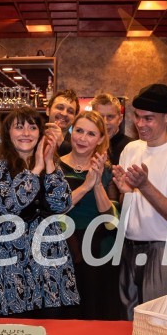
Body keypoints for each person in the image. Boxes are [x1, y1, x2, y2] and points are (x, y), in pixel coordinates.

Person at [0, 106, 80, 316]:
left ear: (40, 133)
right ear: (8, 132)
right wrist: (35, 169)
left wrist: (47, 163)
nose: (26, 133)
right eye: (19, 127)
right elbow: (8, 205)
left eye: (32, 127)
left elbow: (63, 204)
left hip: (51, 253)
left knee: (53, 325)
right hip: (15, 253)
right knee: (18, 327)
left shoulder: (52, 161)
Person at [112, 83, 167, 320]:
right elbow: (127, 201)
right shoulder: (131, 149)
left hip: (161, 251)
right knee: (127, 322)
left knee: (156, 324)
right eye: (137, 117)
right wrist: (126, 191)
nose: (140, 124)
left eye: (148, 118)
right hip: (129, 246)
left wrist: (144, 186)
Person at [59, 111, 121, 320]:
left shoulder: (107, 170)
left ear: (101, 139)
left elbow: (110, 219)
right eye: (79, 131)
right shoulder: (56, 167)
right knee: (68, 311)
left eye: (91, 134)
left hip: (99, 247)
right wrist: (85, 186)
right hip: (64, 246)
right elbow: (56, 209)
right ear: (71, 132)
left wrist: (96, 183)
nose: (83, 139)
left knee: (97, 309)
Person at [90, 93, 132, 165]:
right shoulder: (86, 144)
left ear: (120, 119)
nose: (105, 122)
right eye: (100, 116)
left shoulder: (131, 147)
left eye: (110, 116)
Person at [46, 89, 80, 155]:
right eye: (60, 108)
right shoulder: (35, 138)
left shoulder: (79, 144)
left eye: (70, 111)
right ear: (48, 111)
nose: (64, 114)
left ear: (75, 118)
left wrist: (62, 144)